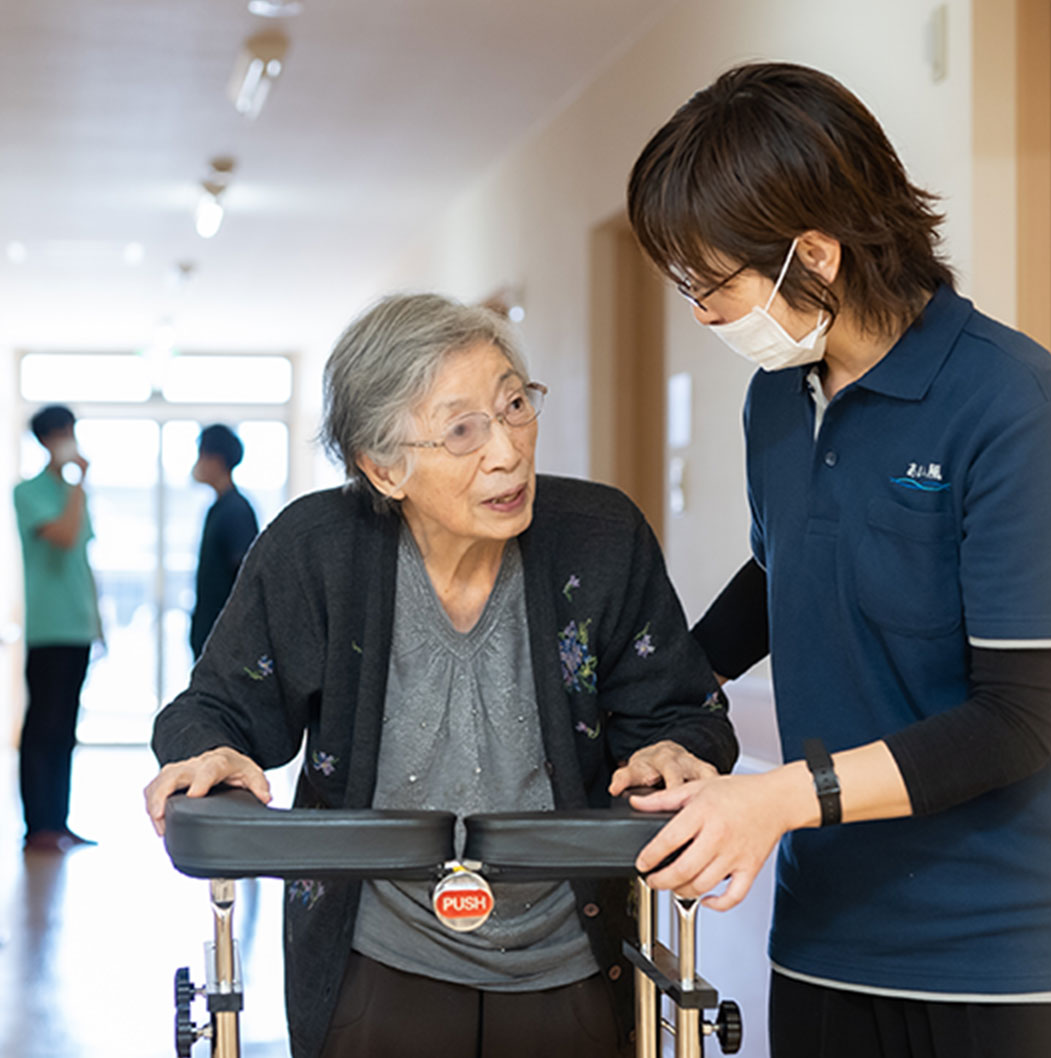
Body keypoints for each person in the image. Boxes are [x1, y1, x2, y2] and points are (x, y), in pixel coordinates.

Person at [625, 62, 1051, 1058]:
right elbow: (786, 569)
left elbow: (1014, 722)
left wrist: (776, 798)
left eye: (712, 283)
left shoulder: (1016, 411)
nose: (700, 312)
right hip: (831, 938)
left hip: (1022, 955)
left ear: (814, 254)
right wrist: (666, 699)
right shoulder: (778, 400)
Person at [143, 293, 738, 1058]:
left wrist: (674, 750)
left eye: (515, 405)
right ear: (383, 467)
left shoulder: (601, 539)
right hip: (379, 957)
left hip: (568, 957)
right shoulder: (318, 551)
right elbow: (215, 707)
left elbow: (681, 710)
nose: (507, 451)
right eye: (463, 430)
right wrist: (212, 751)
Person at [12, 405, 100, 853]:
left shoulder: (74, 495)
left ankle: (59, 822)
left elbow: (83, 561)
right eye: (62, 432)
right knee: (42, 727)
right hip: (48, 630)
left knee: (65, 727)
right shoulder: (29, 493)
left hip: (78, 627)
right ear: (47, 438)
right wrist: (77, 482)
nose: (69, 437)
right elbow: (64, 537)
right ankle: (37, 825)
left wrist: (97, 623)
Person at [189, 423, 260, 659]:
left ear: (216, 460)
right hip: (211, 636)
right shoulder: (218, 508)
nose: (197, 464)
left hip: (226, 645)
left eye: (201, 455)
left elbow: (246, 580)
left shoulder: (235, 511)